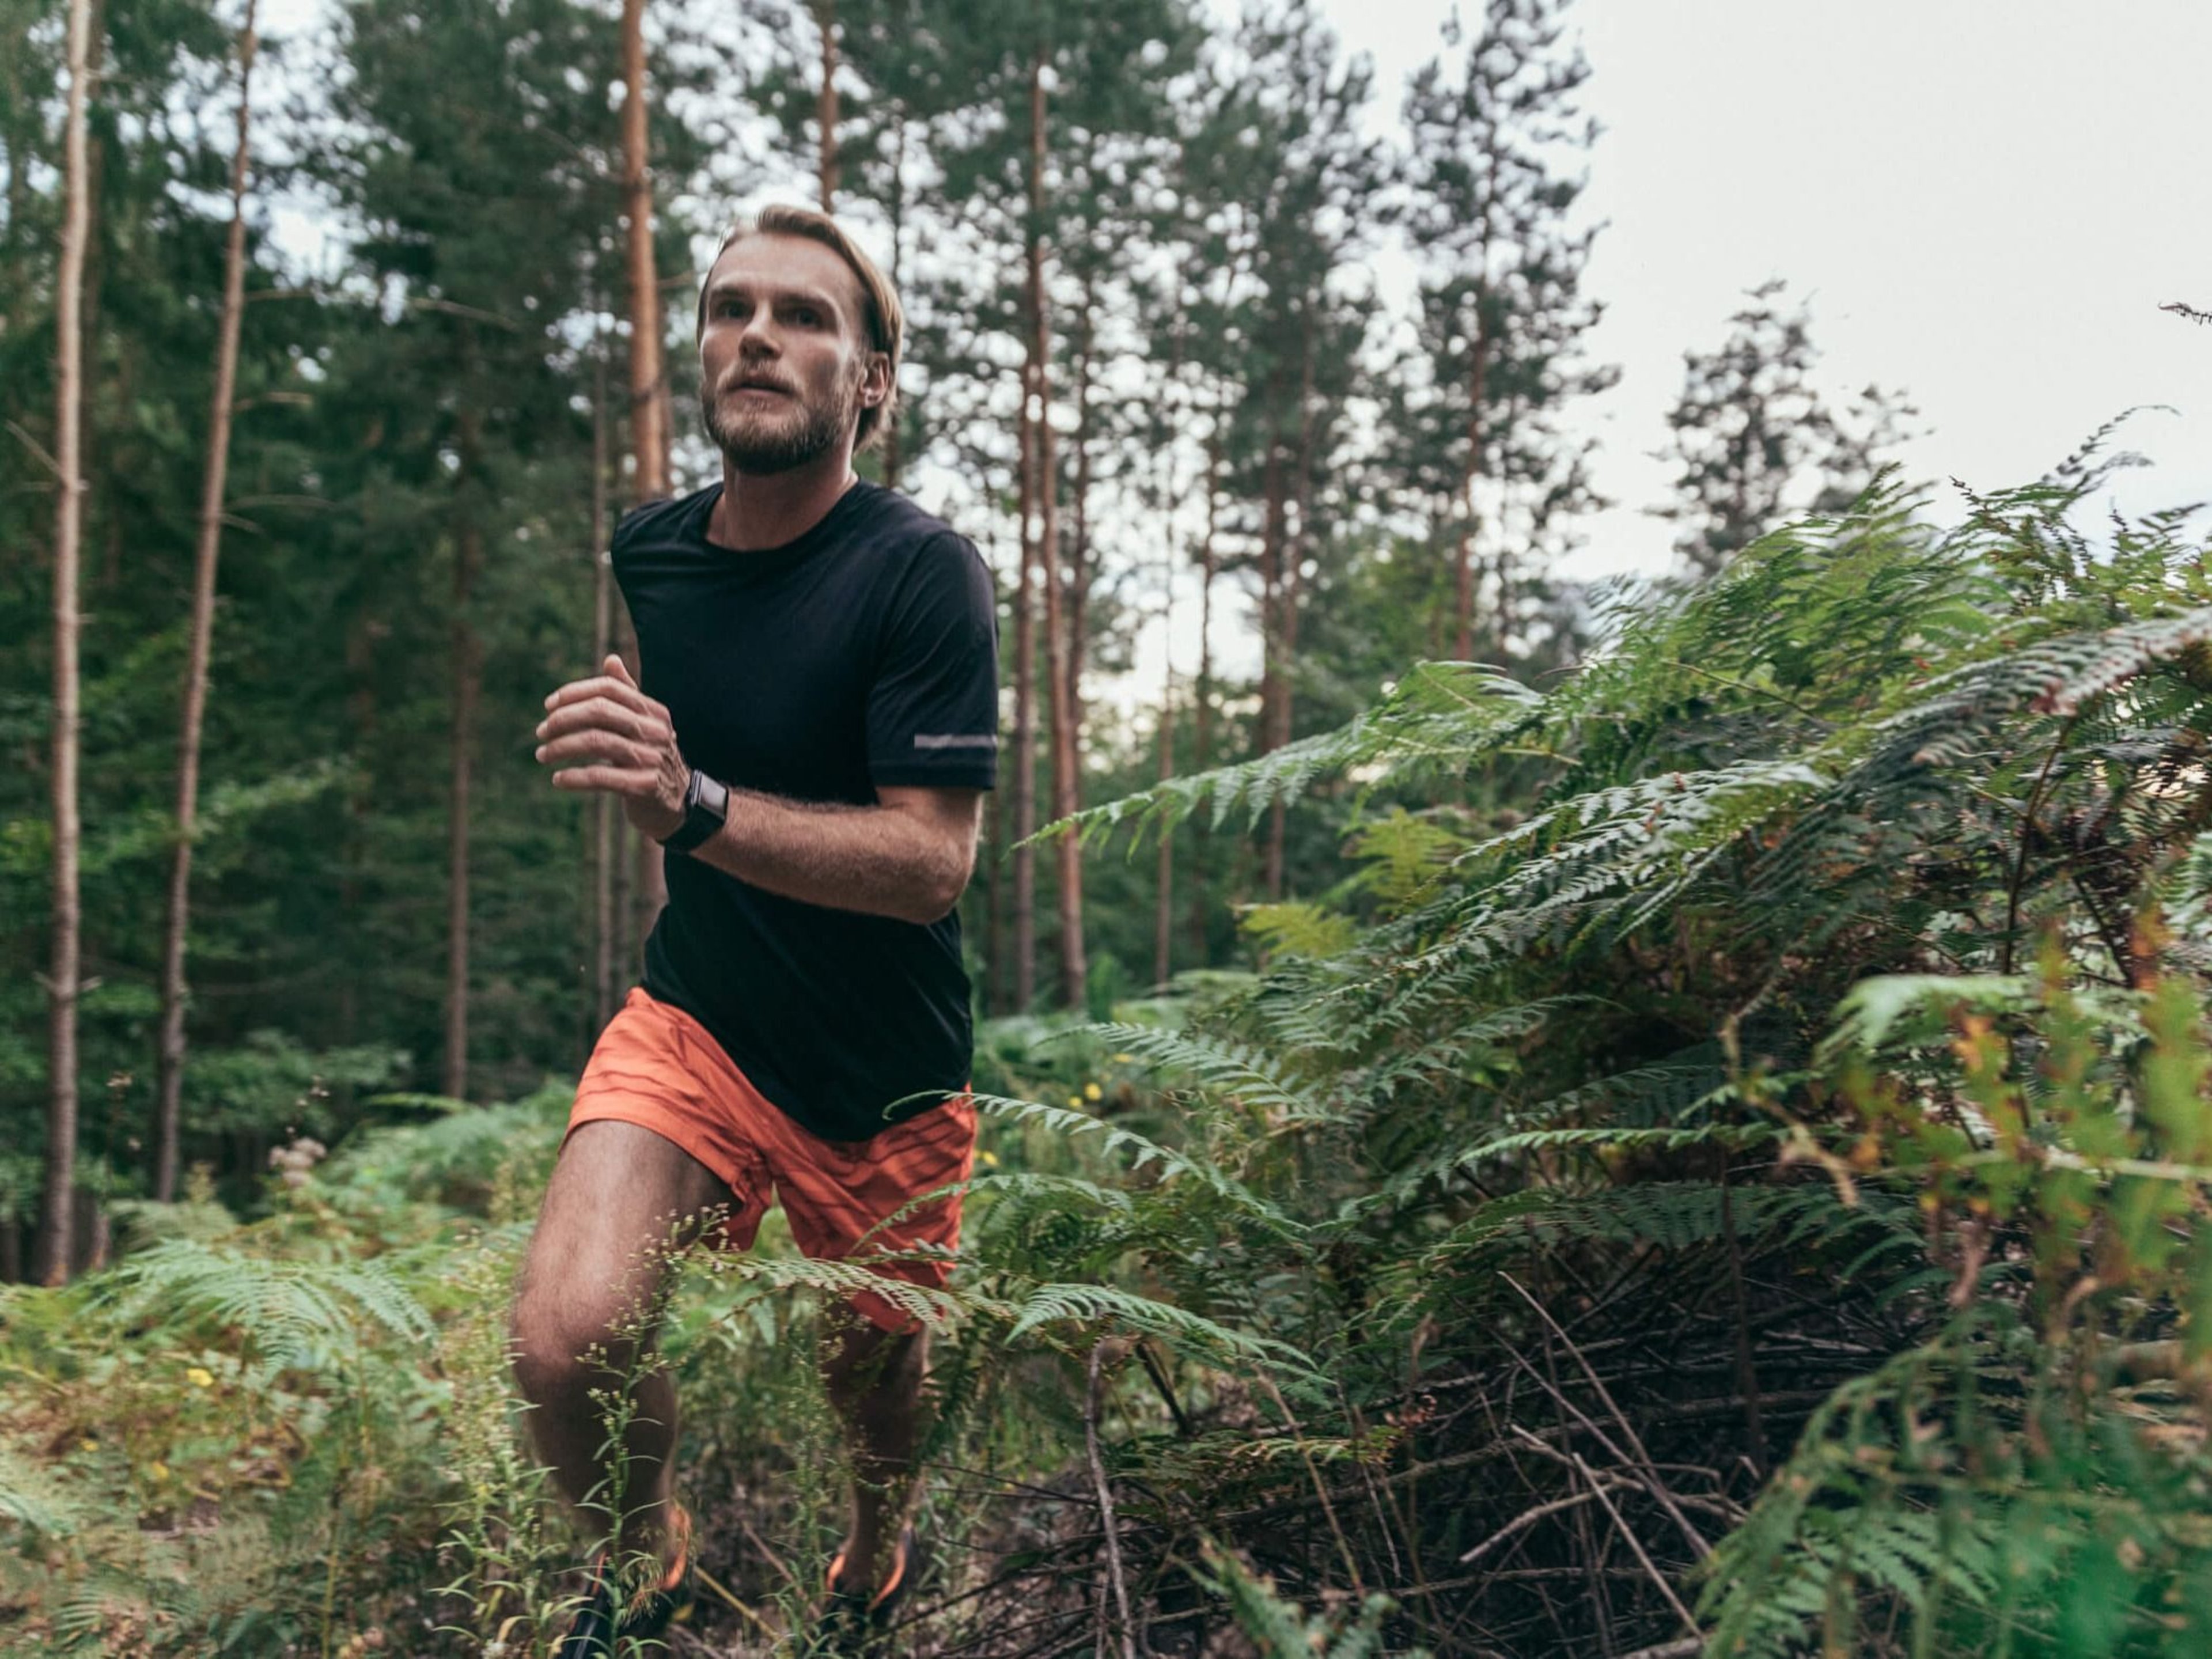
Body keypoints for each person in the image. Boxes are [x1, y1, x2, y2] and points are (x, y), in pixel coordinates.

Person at [510, 203, 999, 1658]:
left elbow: (930, 867)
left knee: (876, 1388)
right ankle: (648, 1556)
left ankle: (876, 1542)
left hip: (881, 1075)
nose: (758, 335)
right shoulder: (651, 552)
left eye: (805, 315)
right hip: (698, 1021)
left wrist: (696, 804)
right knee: (564, 1339)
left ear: (871, 382)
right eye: (731, 309)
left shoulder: (924, 575)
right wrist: (658, 777)